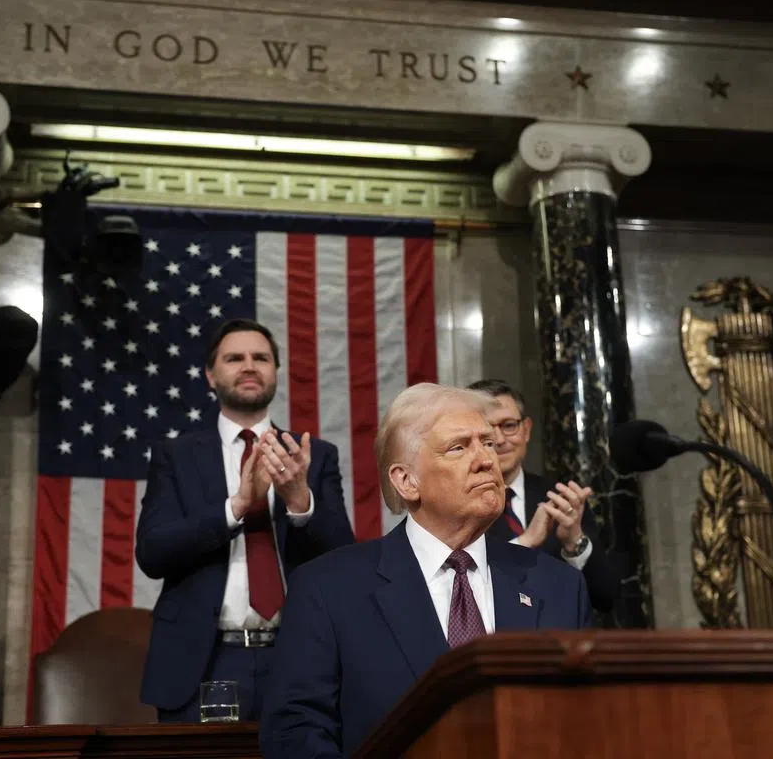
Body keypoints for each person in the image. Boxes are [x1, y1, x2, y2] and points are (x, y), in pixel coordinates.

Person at [260, 383, 590, 758]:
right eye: (459, 447)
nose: (486, 460)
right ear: (406, 481)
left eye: (488, 444)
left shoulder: (559, 585)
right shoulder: (328, 589)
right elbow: (295, 732)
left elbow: (587, 724)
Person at [135, 318, 355, 723]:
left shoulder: (313, 455)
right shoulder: (176, 456)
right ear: (210, 375)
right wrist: (235, 506)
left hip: (298, 654)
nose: (250, 366)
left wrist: (299, 500)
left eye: (262, 358)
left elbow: (344, 557)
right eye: (235, 358)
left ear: (275, 372)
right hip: (206, 659)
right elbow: (152, 552)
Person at [467, 379, 620, 613]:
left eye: (509, 425)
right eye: (487, 430)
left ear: (526, 430)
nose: (499, 440)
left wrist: (574, 544)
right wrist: (525, 542)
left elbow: (606, 598)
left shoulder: (561, 497)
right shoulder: (454, 506)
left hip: (562, 644)